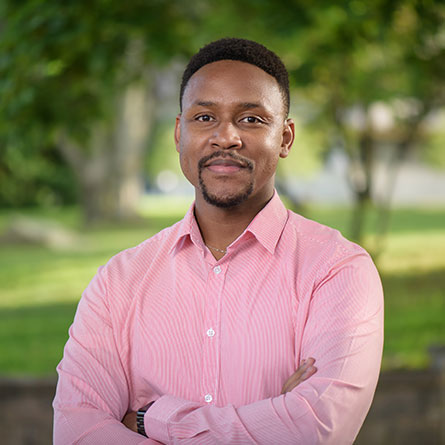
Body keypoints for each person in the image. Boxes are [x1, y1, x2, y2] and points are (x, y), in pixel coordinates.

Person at [53, 38, 384, 444]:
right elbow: (76, 432)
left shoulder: (336, 270)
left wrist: (148, 421)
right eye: (205, 117)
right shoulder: (118, 283)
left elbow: (313, 428)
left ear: (285, 137)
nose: (225, 137)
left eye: (251, 120)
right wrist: (269, 419)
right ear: (180, 132)